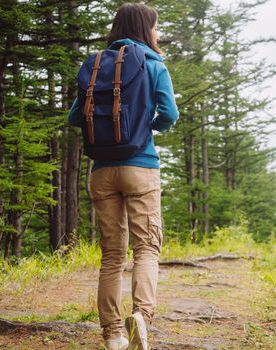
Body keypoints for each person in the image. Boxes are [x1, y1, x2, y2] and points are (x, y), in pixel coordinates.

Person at [68, 3, 179, 350]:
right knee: (146, 248)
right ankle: (142, 318)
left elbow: (75, 118)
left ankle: (113, 334)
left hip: (102, 171)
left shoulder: (98, 64)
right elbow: (170, 114)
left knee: (112, 255)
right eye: (156, 27)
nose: (157, 34)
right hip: (140, 166)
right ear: (147, 28)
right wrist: (145, 127)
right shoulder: (153, 64)